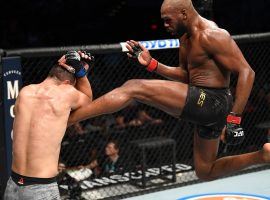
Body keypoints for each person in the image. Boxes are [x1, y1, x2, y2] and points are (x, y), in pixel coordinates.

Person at [68, 0, 270, 181]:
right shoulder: (185, 37)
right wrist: (152, 64)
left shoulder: (213, 35)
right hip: (202, 101)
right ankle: (261, 156)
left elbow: (247, 72)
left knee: (133, 87)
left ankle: (70, 119)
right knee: (205, 171)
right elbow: (185, 75)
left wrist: (234, 119)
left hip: (213, 101)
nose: (165, 25)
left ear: (184, 13)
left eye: (167, 20)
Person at [4, 51, 93, 200]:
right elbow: (88, 101)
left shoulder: (25, 92)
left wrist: (64, 65)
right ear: (67, 84)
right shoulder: (66, 93)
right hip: (40, 187)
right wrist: (81, 73)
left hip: (13, 184)